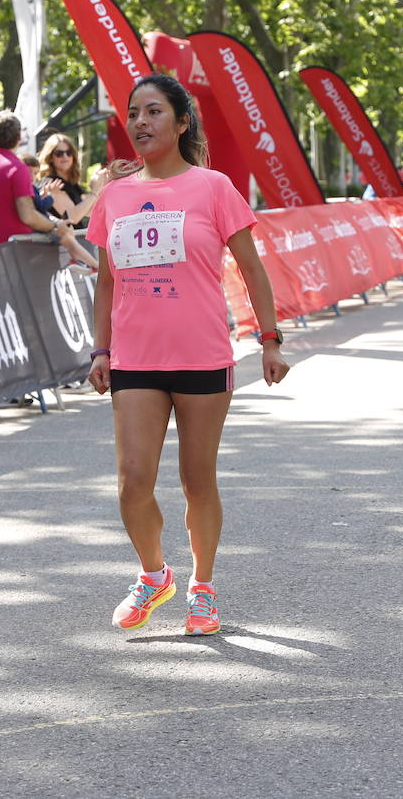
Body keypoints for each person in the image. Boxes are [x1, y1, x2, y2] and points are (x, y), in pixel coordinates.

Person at [85, 73, 290, 636]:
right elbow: (106, 282)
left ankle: (202, 588)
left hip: (202, 357)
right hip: (135, 359)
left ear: (180, 123)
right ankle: (155, 576)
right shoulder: (115, 197)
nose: (142, 123)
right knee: (132, 481)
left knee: (197, 480)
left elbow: (252, 269)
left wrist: (269, 340)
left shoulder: (214, 188)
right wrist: (100, 348)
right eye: (134, 113)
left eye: (154, 112)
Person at [0, 111, 71, 245]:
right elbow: (28, 215)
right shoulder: (17, 168)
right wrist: (54, 227)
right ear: (19, 137)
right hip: (14, 251)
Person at [35, 133, 98, 228]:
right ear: (50, 157)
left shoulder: (73, 184)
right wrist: (95, 191)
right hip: (60, 240)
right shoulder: (50, 183)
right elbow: (72, 218)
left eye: (69, 152)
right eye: (59, 153)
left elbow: (89, 212)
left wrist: (101, 186)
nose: (65, 156)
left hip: (77, 239)